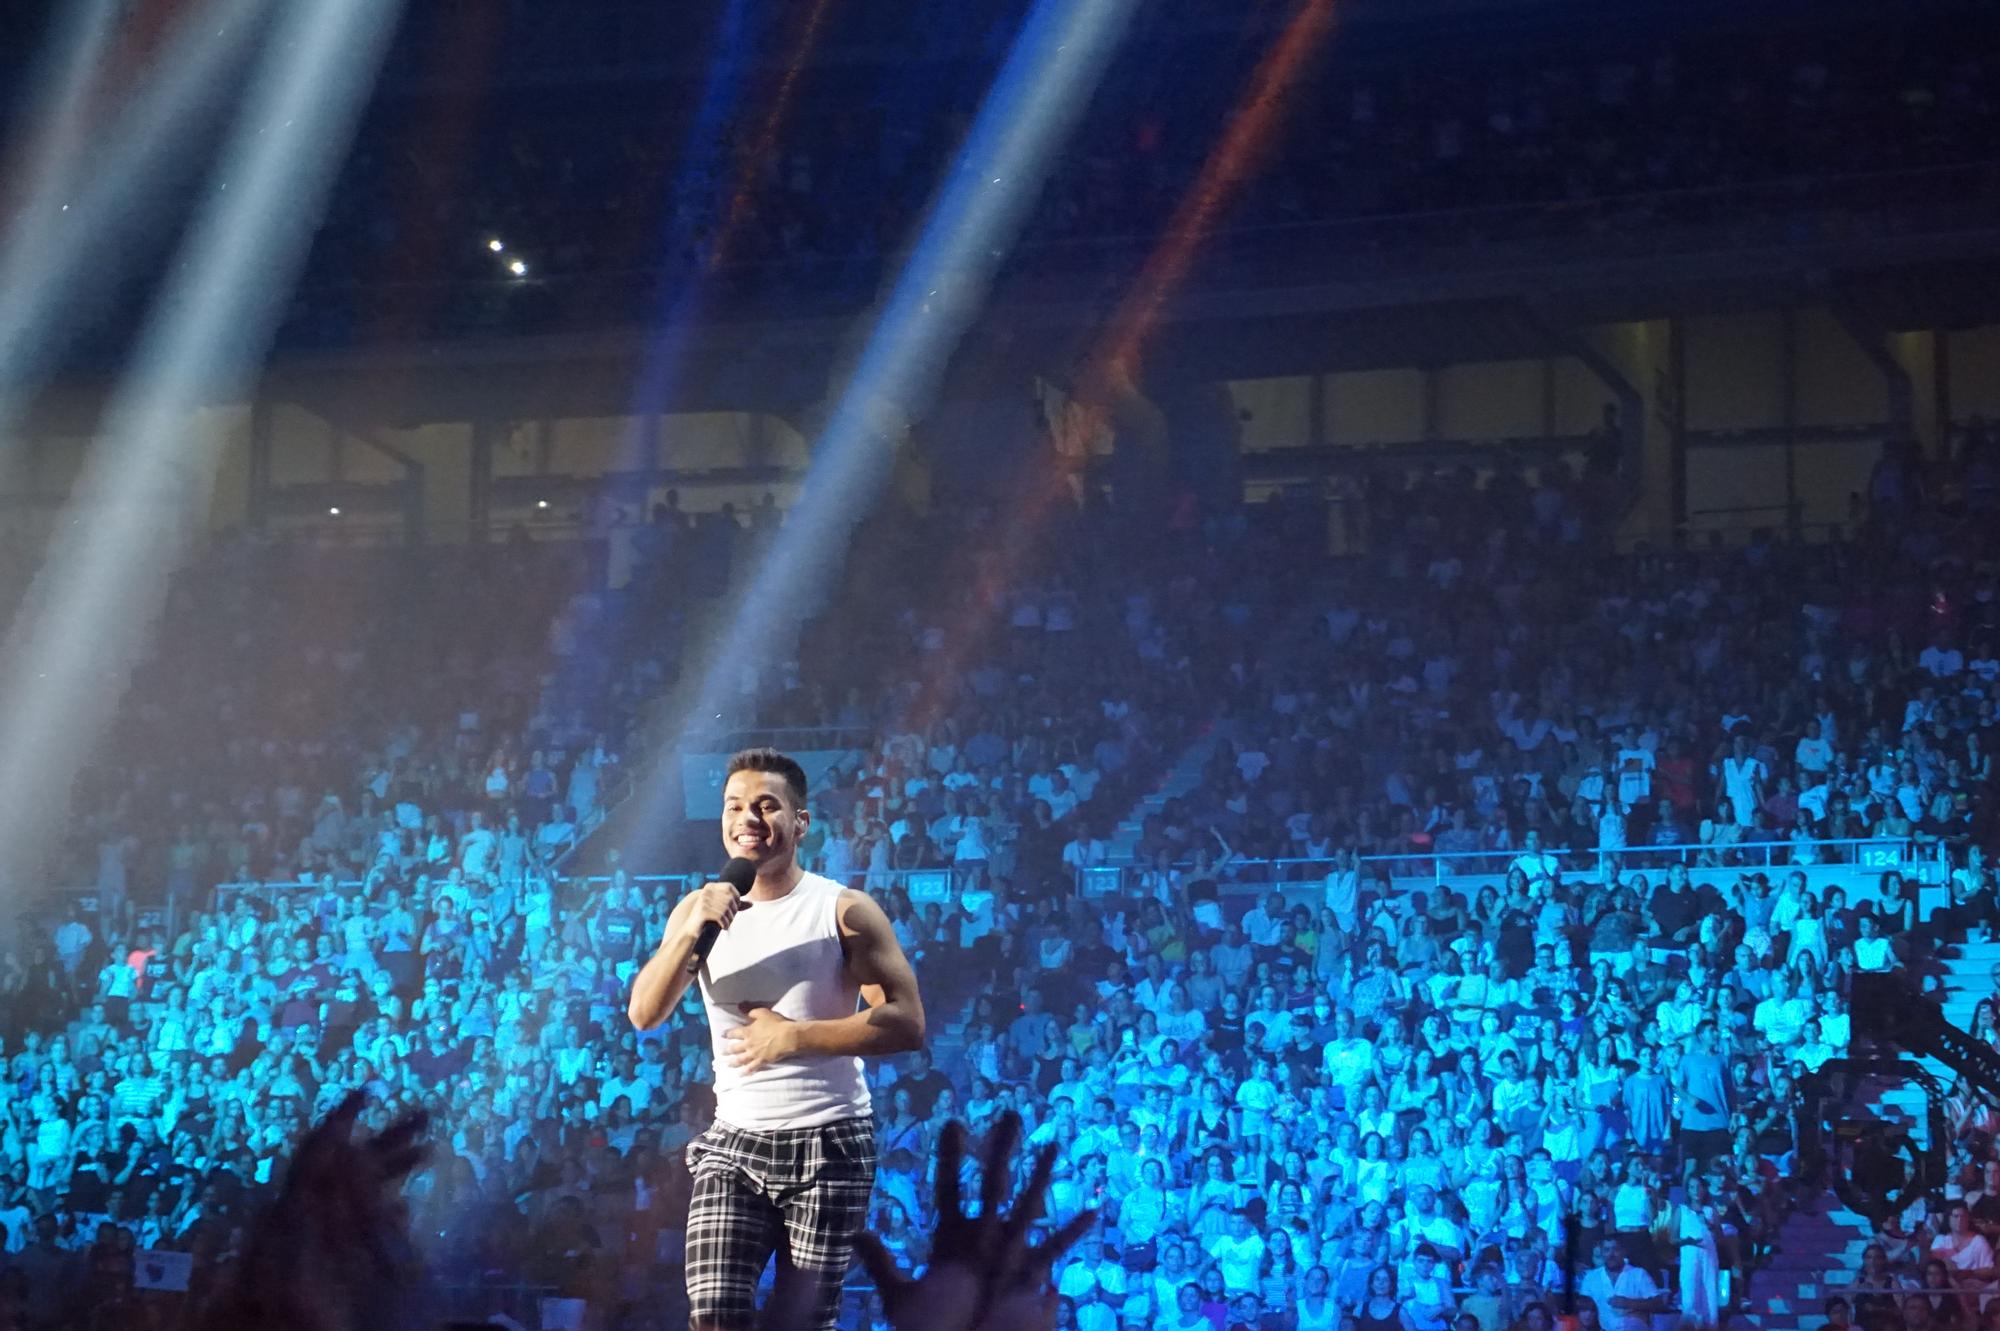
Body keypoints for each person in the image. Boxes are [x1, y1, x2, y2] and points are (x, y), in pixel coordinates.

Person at [627, 748, 928, 1331]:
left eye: (767, 806)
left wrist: (795, 1038)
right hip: (734, 1143)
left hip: (830, 1142)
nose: (748, 818)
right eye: (734, 806)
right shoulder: (696, 911)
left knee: (802, 1322)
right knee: (714, 1314)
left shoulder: (843, 911)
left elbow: (907, 1022)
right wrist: (691, 928)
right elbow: (644, 1013)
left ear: (800, 822)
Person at [1576, 1240, 1664, 1331]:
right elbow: (1583, 1308)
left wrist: (1629, 1303)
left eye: (1616, 1249)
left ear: (1624, 1252)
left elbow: (1658, 1303)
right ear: (1602, 1253)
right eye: (1606, 1250)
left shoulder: (1639, 1274)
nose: (1611, 1254)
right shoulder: (1591, 1277)